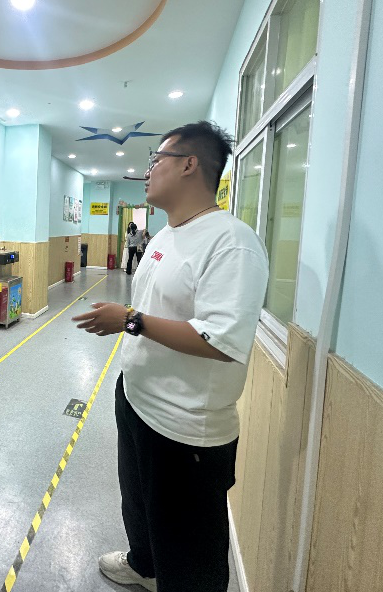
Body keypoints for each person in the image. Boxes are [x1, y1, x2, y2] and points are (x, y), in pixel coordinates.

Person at [72, 120, 269, 592]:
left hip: (186, 428)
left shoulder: (232, 242)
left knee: (190, 549)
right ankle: (145, 566)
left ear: (189, 165)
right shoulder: (164, 235)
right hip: (136, 399)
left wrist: (130, 320)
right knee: (139, 503)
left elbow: (220, 340)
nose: (148, 171)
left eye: (156, 159)